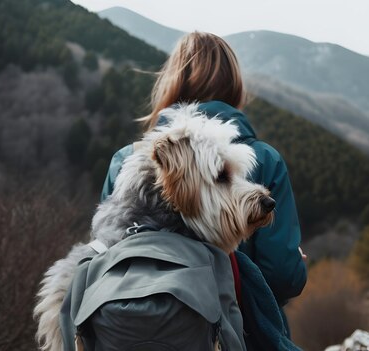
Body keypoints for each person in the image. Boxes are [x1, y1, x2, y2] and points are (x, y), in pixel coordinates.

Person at [100, 31, 307, 345]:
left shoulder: (124, 160)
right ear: (235, 85)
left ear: (171, 83)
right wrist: (296, 267)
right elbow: (280, 275)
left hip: (123, 333)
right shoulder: (265, 160)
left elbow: (106, 249)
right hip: (233, 334)